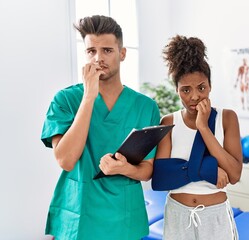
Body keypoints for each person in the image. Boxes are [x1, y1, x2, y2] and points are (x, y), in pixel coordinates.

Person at [41, 15, 160, 240]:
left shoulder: (145, 107)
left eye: (107, 50)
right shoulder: (65, 100)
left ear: (122, 53)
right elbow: (66, 160)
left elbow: (147, 171)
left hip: (123, 218)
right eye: (91, 51)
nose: (98, 58)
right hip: (80, 217)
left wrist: (124, 169)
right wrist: (88, 97)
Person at [154, 35, 243, 240]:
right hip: (178, 215)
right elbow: (161, 178)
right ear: (177, 91)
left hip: (215, 216)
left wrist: (204, 127)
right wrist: (208, 169)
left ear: (210, 86)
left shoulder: (227, 118)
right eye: (186, 90)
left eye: (201, 88)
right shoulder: (168, 122)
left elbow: (235, 174)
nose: (194, 97)